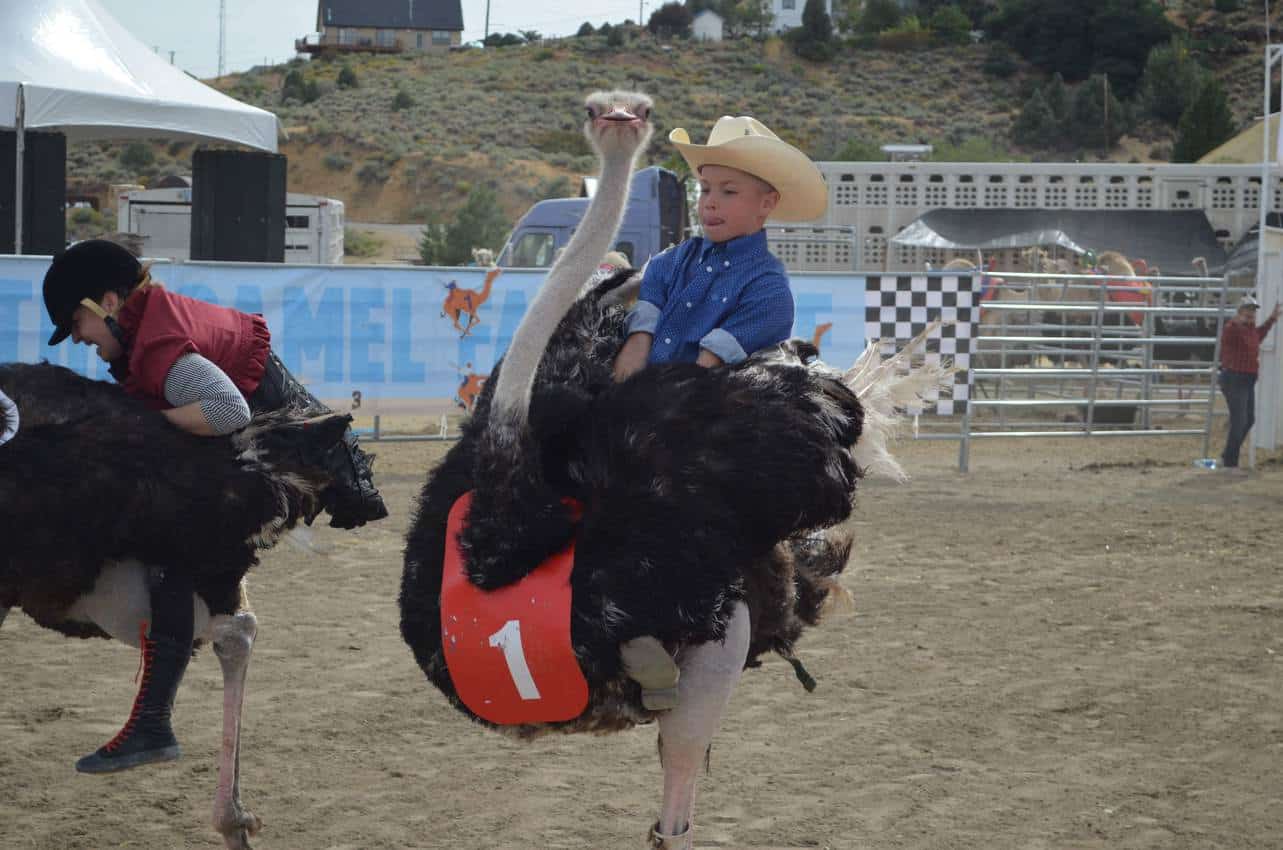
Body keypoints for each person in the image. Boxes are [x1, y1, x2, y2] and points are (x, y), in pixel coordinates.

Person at [41, 238, 388, 773]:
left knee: (172, 544)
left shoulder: (160, 348)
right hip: (262, 445)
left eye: (76, 324)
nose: (78, 339)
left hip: (278, 458)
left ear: (106, 304)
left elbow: (226, 411)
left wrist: (142, 427)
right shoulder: (147, 331)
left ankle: (154, 721)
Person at [610, 115, 827, 709]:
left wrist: (648, 400)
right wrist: (629, 375)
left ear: (767, 204)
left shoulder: (768, 285)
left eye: (729, 192)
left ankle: (658, 627)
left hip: (701, 422)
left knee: (671, 503)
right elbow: (640, 337)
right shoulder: (669, 264)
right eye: (706, 189)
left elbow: (705, 368)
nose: (710, 203)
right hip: (646, 409)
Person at [1218, 293, 1281, 470]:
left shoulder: (1250, 329)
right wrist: (1238, 320)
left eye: (1253, 310)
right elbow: (1230, 331)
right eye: (1247, 310)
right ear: (1239, 312)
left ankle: (1227, 457)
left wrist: (1271, 319)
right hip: (1234, 377)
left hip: (1245, 378)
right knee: (1240, 420)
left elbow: (1259, 335)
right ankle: (1230, 463)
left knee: (1248, 419)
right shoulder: (1233, 328)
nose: (1251, 313)